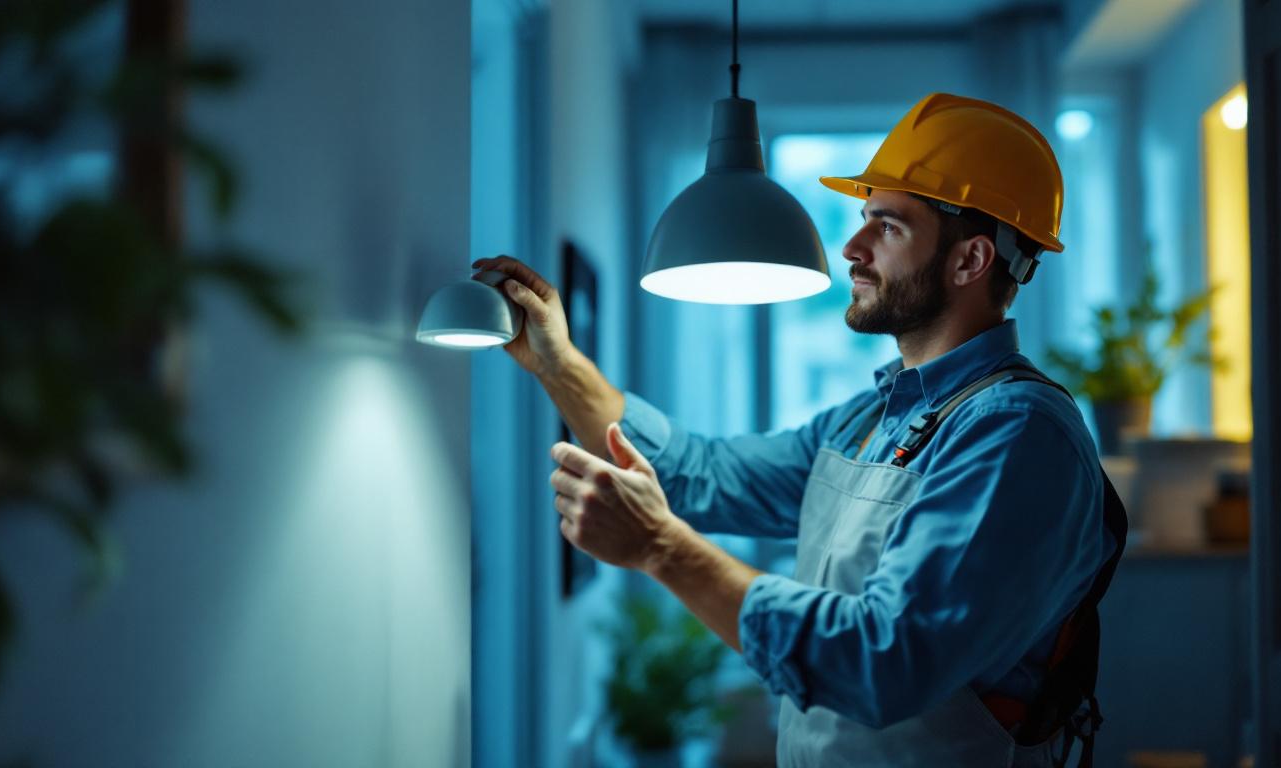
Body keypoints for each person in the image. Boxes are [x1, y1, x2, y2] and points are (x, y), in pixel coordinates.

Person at [473, 93, 1125, 767]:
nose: (853, 248)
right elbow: (698, 475)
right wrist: (558, 362)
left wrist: (661, 547)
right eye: (865, 219)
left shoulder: (1015, 434)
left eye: (888, 227)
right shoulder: (869, 419)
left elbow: (888, 662)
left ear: (970, 261)